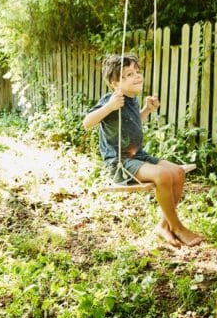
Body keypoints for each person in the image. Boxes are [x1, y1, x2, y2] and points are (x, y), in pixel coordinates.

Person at [83, 54, 202, 248]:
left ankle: (164, 226)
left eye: (137, 72)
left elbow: (132, 123)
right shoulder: (112, 99)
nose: (137, 76)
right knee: (163, 175)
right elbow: (87, 123)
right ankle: (178, 227)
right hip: (119, 162)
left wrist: (146, 109)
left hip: (138, 156)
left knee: (178, 172)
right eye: (129, 74)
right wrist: (109, 106)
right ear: (115, 84)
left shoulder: (132, 100)